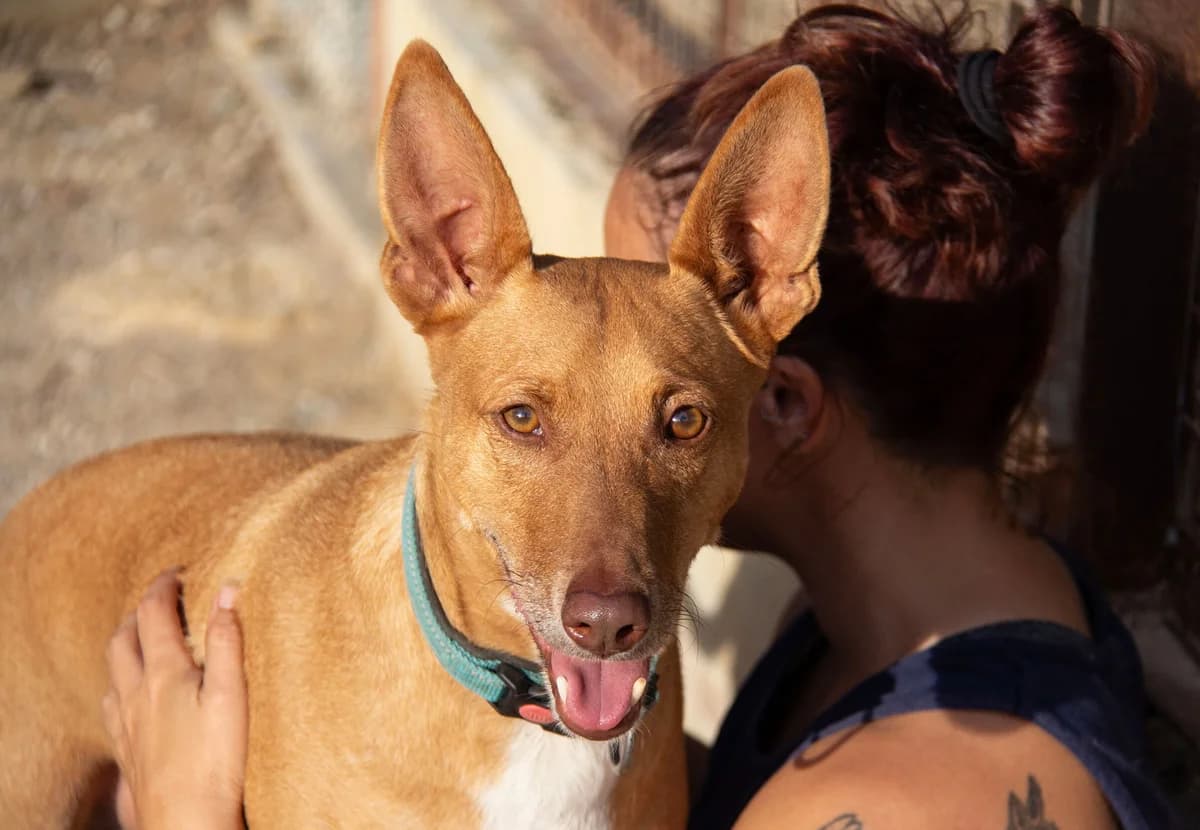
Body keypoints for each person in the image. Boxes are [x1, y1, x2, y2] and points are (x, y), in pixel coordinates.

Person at [104, 4, 1180, 828]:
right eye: (528, 418)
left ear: (780, 393)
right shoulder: (885, 623)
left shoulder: (901, 798)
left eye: (676, 421)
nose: (604, 573)